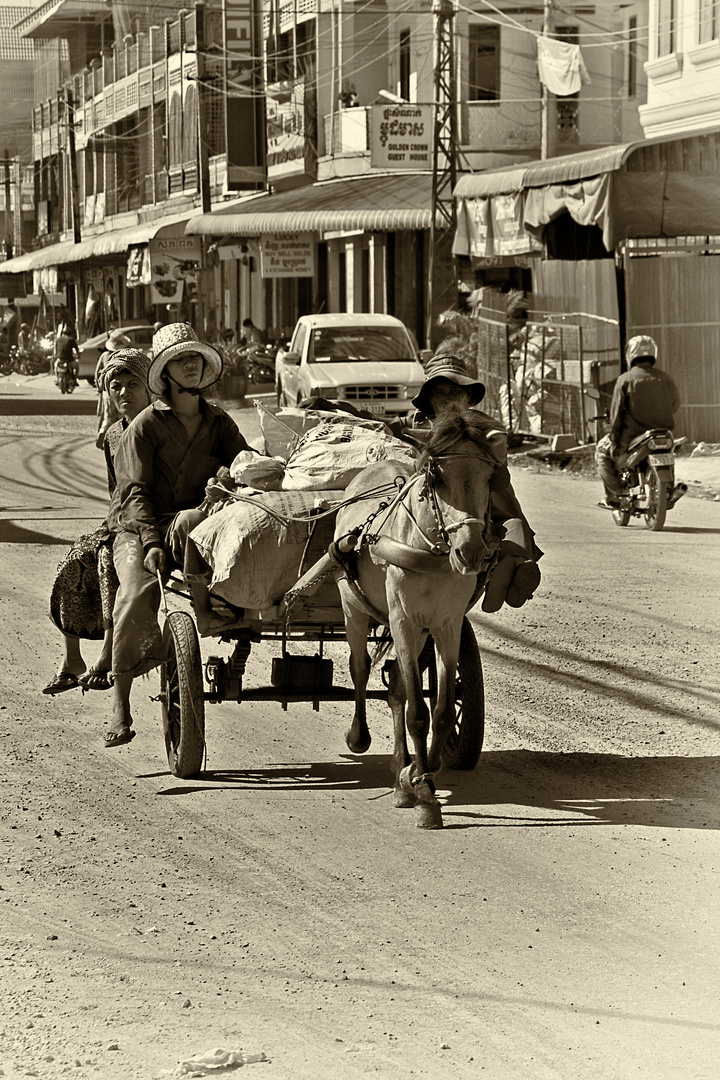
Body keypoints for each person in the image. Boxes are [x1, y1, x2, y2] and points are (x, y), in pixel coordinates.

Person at [104, 322, 253, 747]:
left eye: (196, 358)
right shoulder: (145, 426)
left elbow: (245, 464)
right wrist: (150, 542)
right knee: (133, 595)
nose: (190, 363)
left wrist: (238, 474)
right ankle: (120, 702)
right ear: (165, 373)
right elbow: (132, 494)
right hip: (142, 527)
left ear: (205, 368)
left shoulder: (219, 421)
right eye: (179, 359)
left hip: (198, 524)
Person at [388, 353, 542, 611]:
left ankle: (511, 567)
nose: (449, 397)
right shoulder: (412, 423)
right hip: (432, 503)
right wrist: (332, 407)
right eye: (440, 391)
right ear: (427, 398)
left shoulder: (482, 426)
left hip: (477, 501)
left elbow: (498, 447)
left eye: (456, 390)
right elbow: (374, 425)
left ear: (468, 397)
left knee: (510, 517)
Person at [43, 349, 153, 695]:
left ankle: (107, 653)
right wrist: (112, 524)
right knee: (75, 559)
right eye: (116, 386)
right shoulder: (113, 436)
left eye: (132, 384)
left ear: (150, 385)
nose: (123, 393)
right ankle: (71, 659)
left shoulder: (161, 425)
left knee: (108, 564)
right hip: (122, 520)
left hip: (154, 521)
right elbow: (115, 491)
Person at [596, 335, 680, 508]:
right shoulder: (666, 378)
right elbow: (675, 405)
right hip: (664, 434)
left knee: (601, 452)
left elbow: (617, 414)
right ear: (653, 354)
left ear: (630, 354)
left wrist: (614, 440)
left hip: (633, 437)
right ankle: (669, 489)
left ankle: (616, 497)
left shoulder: (625, 380)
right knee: (669, 454)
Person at [94, 329, 132, 447]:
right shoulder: (126, 356)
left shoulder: (104, 356)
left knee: (109, 416)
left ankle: (103, 431)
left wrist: (98, 387)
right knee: (123, 416)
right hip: (123, 391)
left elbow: (96, 373)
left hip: (107, 390)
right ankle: (120, 438)